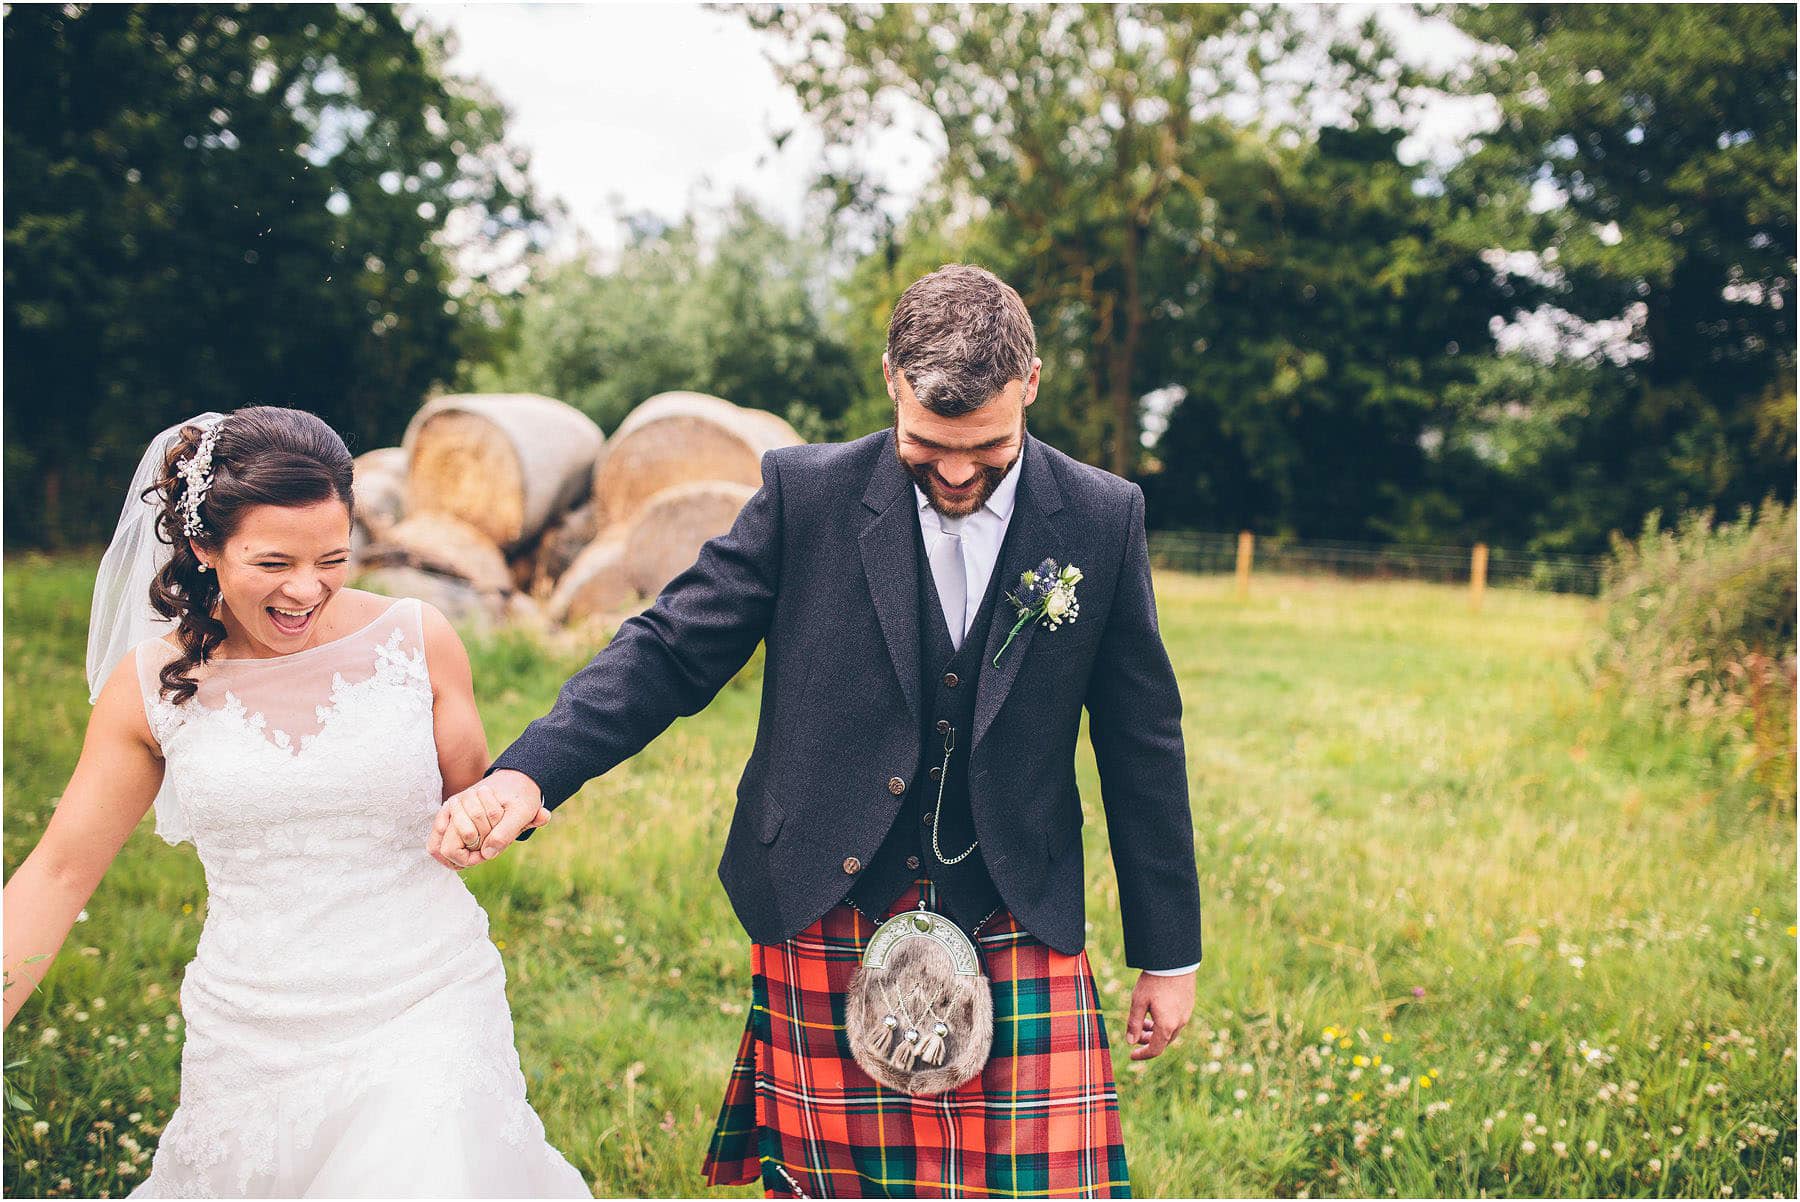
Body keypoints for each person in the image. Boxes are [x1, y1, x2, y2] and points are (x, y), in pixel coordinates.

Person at [443, 264, 1203, 1198]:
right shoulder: (808, 496)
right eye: (928, 445)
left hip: (1018, 906)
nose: (958, 473)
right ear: (891, 379)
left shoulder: (1099, 515)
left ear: (1031, 383)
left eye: (988, 447)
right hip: (830, 900)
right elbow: (671, 649)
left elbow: (1142, 745)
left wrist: (1168, 954)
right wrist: (532, 773)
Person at [2, 406, 590, 1198]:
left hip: (426, 997)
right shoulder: (148, 688)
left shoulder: (417, 639)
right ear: (204, 548)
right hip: (251, 1024)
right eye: (273, 562)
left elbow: (475, 796)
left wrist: (488, 818)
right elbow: (59, 873)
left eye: (333, 558)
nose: (305, 589)